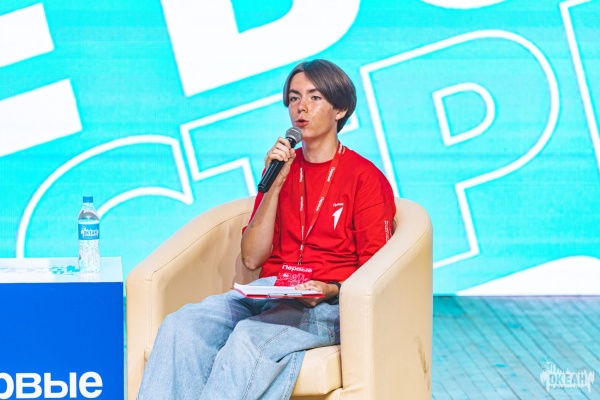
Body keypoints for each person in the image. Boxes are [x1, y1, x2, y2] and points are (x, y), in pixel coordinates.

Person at [137, 59, 396, 400]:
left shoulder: (365, 178)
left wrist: (330, 289)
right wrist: (273, 186)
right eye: (294, 98)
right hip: (270, 291)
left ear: (340, 109)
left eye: (315, 97)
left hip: (326, 304)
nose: (301, 107)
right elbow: (252, 257)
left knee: (248, 339)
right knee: (182, 324)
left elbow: (377, 272)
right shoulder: (280, 170)